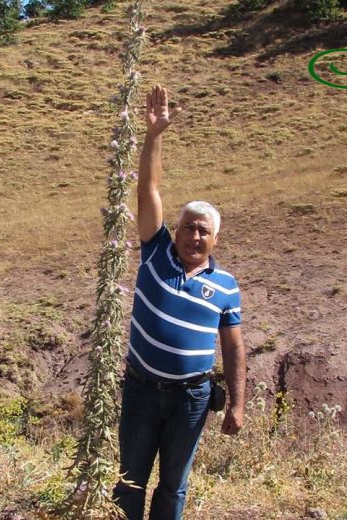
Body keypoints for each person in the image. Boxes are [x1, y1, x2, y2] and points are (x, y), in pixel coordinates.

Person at [113, 84, 246, 520]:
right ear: (177, 229)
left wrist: (238, 404)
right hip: (141, 392)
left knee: (174, 488)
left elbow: (233, 348)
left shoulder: (225, 285)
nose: (194, 236)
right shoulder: (155, 252)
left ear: (215, 238)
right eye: (188, 227)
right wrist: (154, 136)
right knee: (129, 480)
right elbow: (148, 192)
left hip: (192, 399)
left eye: (203, 230)